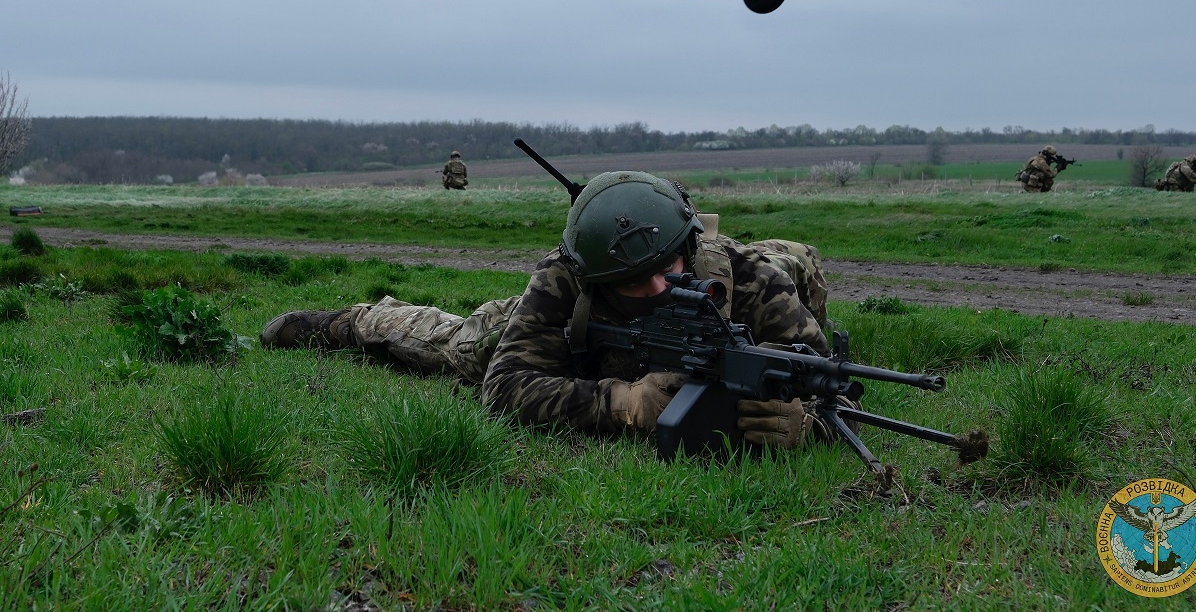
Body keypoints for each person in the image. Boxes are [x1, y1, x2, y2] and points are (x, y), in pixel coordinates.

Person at [261, 170, 853, 450]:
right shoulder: (564, 278)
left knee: (798, 266)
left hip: (759, 280)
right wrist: (624, 403)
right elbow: (504, 387)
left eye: (666, 269)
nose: (654, 288)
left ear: (688, 248)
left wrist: (811, 422)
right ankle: (350, 320)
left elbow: (837, 387)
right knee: (461, 344)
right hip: (571, 343)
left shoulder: (752, 284)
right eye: (632, 281)